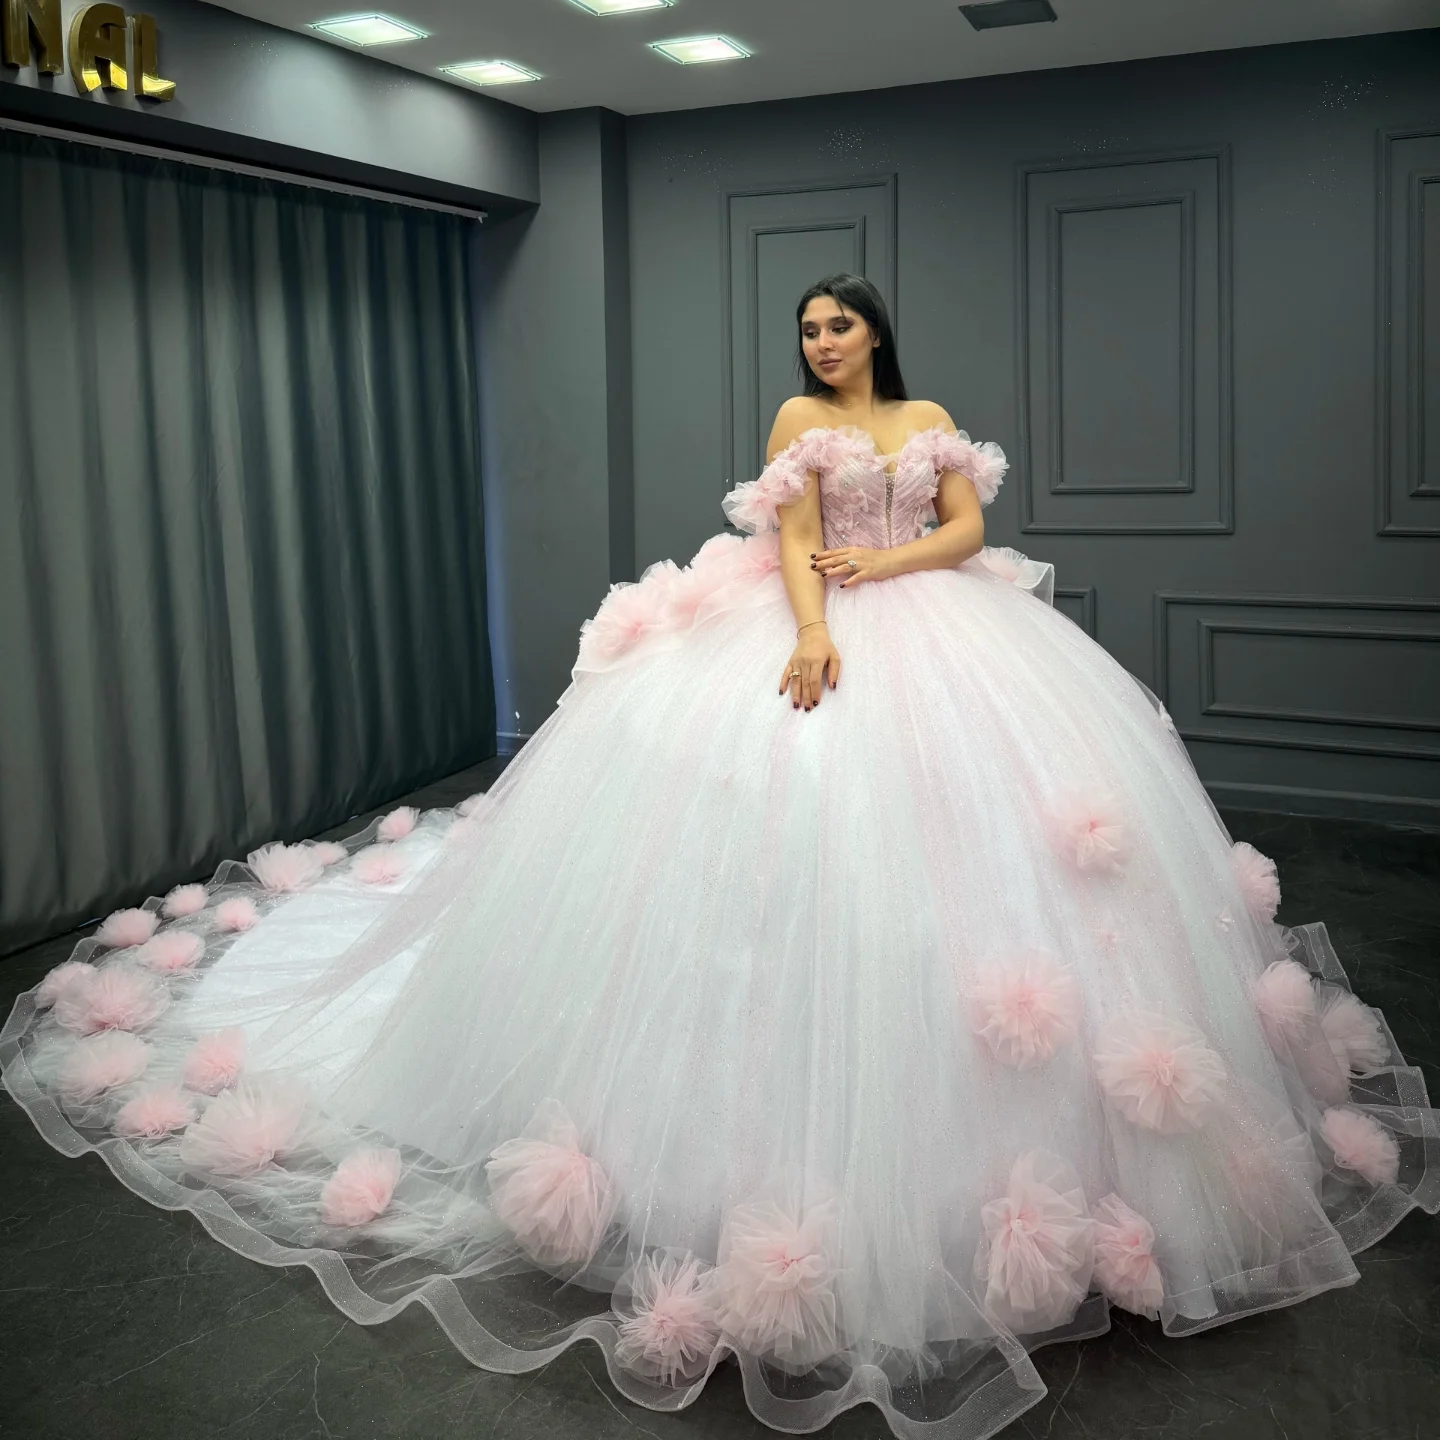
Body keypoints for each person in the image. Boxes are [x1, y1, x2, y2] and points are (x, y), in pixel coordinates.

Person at [3, 273, 1435, 1440]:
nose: (820, 344)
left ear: (879, 329)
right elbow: (802, 544)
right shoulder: (797, 424)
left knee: (1005, 858)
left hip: (949, 628)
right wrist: (816, 634)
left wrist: (897, 573)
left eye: (839, 325)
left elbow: (970, 526)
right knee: (777, 856)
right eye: (808, 329)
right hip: (813, 634)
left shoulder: (927, 413)